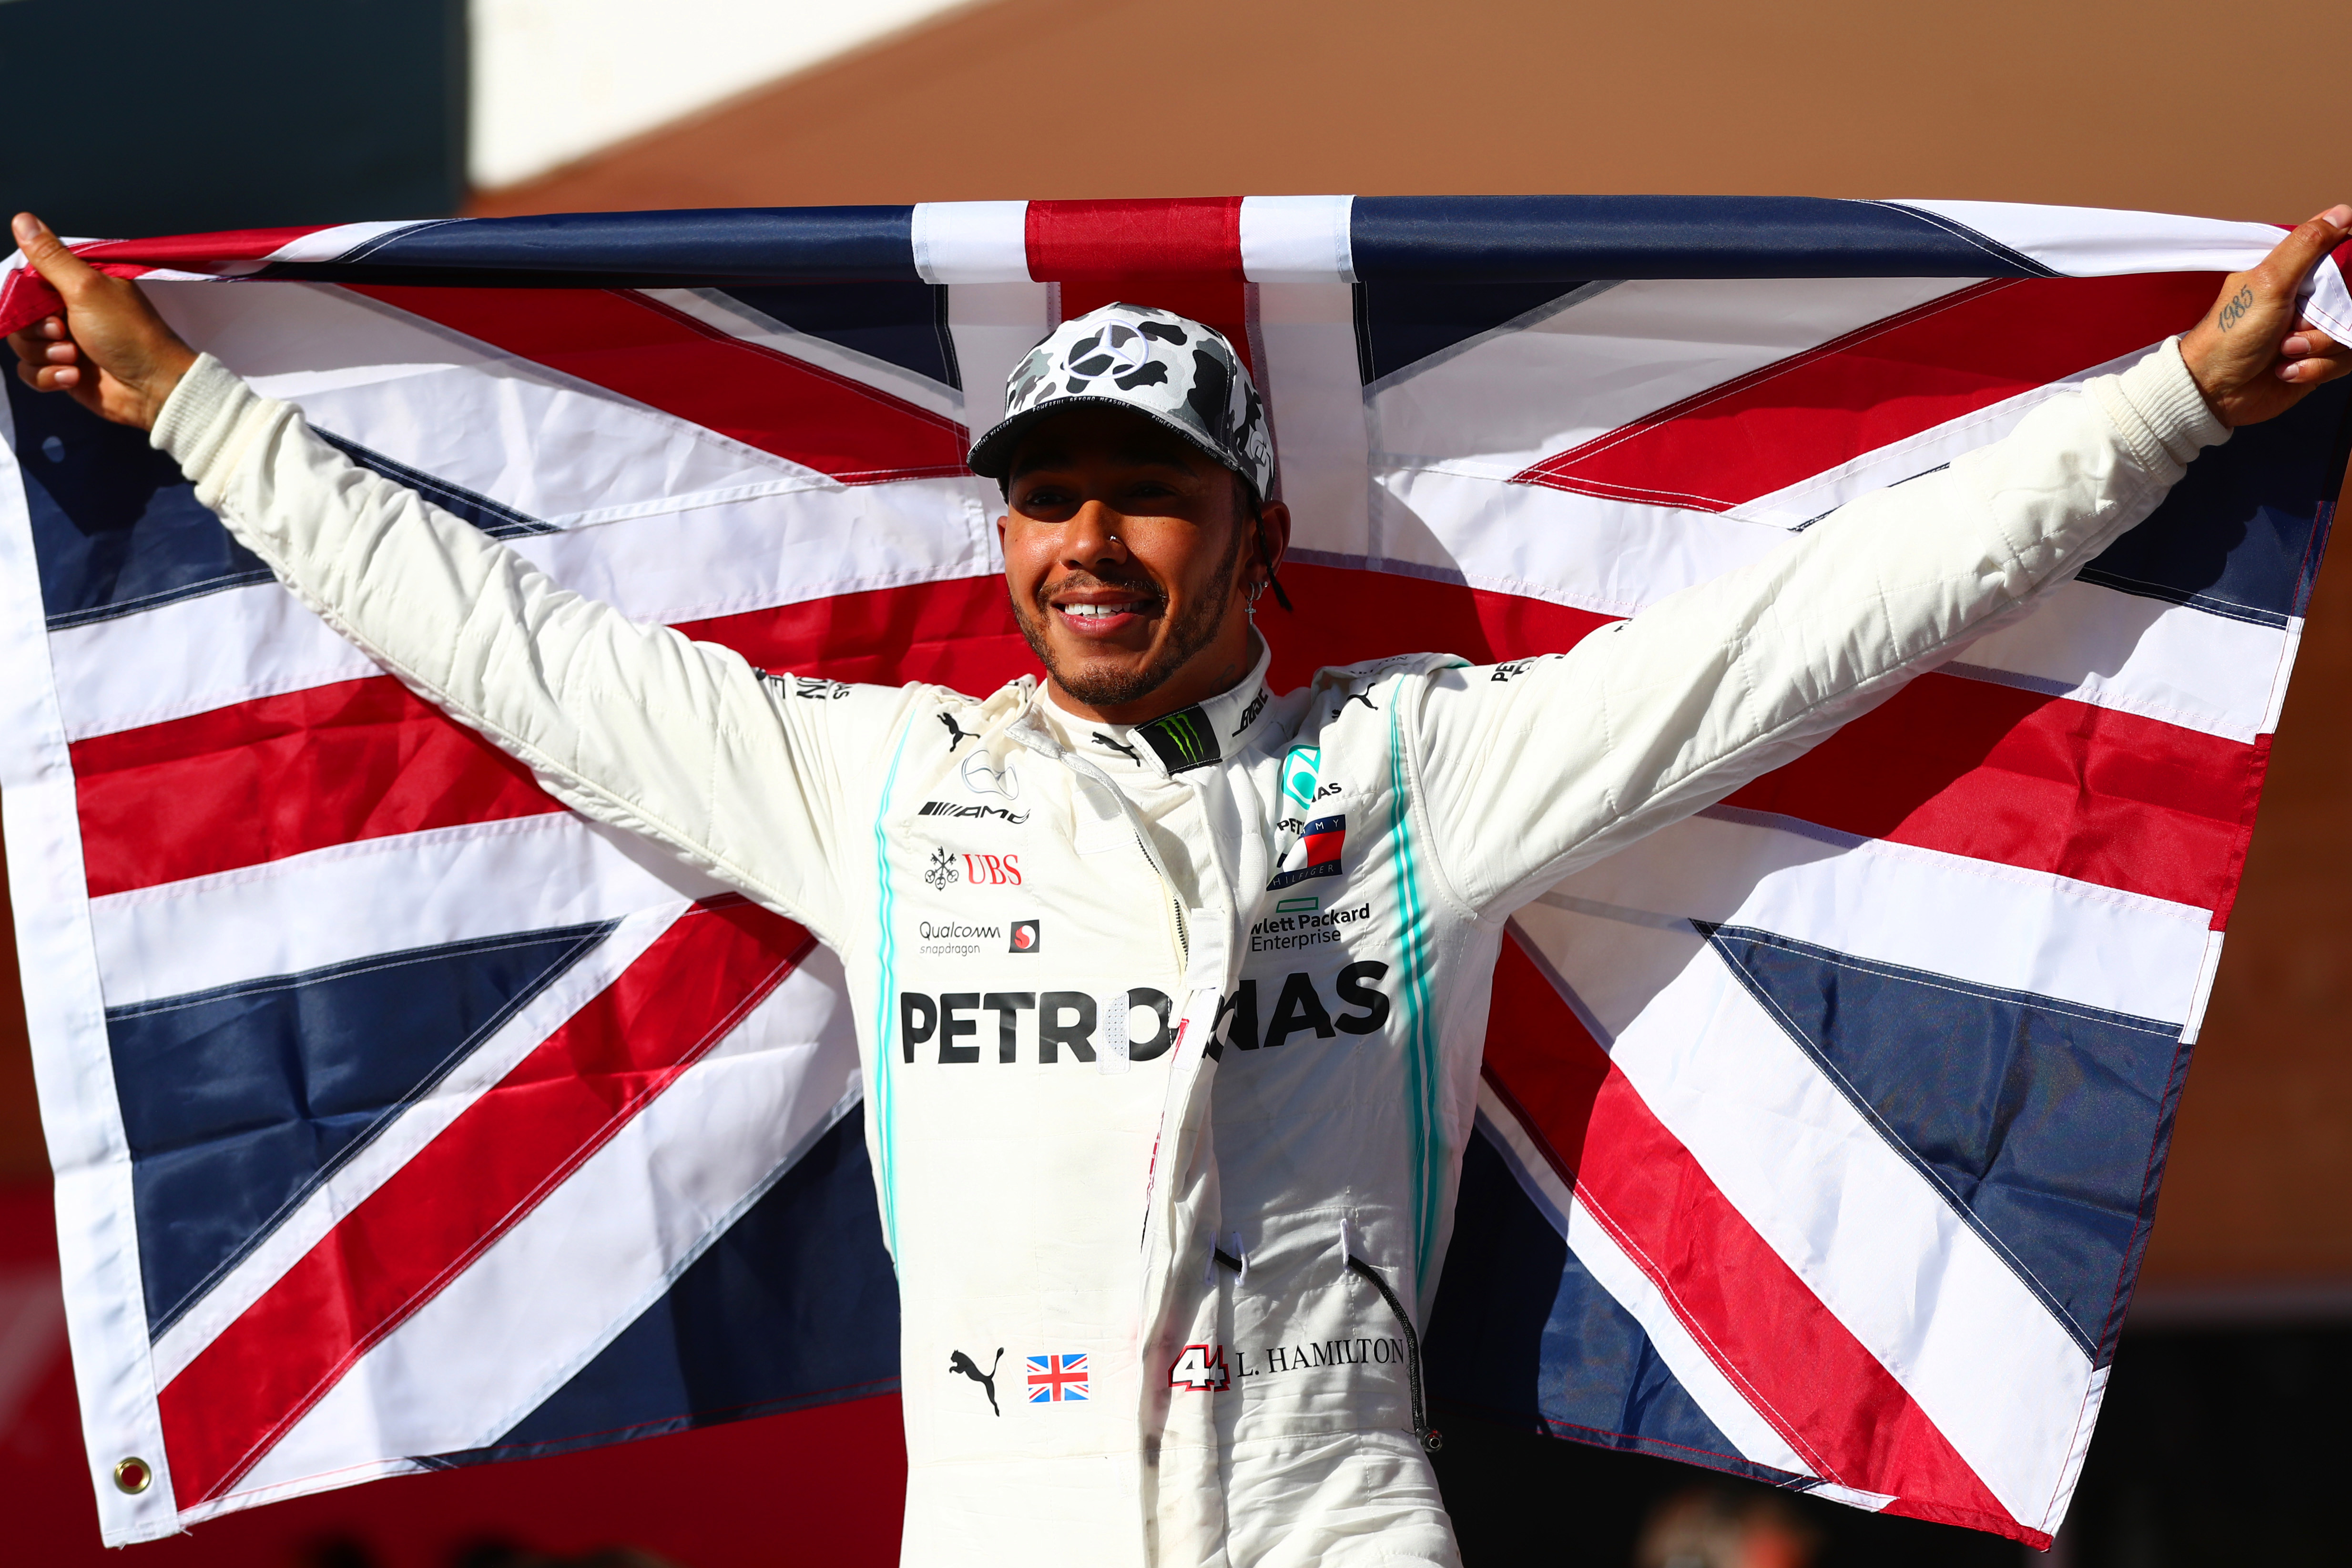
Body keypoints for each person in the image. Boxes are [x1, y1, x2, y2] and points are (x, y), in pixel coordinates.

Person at [10, 207, 2350, 1568]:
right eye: (1047, 501)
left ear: (1247, 536)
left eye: (1142, 499)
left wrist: (2162, 402)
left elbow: (1807, 624)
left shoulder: (1418, 773)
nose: (1087, 547)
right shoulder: (880, 793)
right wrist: (199, 414)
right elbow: (500, 641)